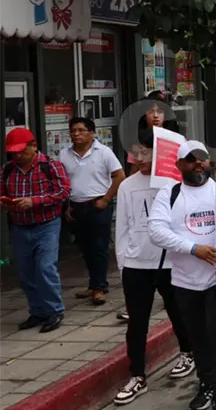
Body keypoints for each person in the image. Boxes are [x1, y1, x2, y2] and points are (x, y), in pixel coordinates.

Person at [148, 141, 216, 410]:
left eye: (203, 159)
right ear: (179, 164)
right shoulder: (169, 194)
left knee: (215, 335)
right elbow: (156, 231)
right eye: (191, 159)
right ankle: (205, 383)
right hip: (184, 281)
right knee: (197, 338)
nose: (198, 163)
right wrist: (194, 249)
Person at [113, 134, 195, 406]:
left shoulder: (173, 185)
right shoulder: (127, 186)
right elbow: (122, 227)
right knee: (137, 323)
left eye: (145, 153)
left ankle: (188, 352)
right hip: (137, 265)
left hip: (170, 263)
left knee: (178, 313)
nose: (139, 158)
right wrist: (123, 263)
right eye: (136, 153)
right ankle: (137, 375)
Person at [0, 128, 70, 333]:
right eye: (14, 152)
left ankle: (54, 310)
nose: (18, 156)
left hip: (46, 224)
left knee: (45, 267)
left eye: (21, 151)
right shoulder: (8, 169)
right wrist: (6, 202)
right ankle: (37, 311)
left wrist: (35, 201)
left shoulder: (51, 166)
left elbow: (64, 191)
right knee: (25, 272)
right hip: (20, 226)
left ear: (33, 146)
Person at [59, 116, 125, 306]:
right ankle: (93, 283)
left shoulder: (103, 152)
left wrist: (106, 199)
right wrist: (67, 204)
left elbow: (120, 176)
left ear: (92, 133)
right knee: (84, 247)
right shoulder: (64, 154)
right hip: (76, 206)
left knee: (99, 247)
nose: (76, 134)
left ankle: (99, 287)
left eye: (81, 130)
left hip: (98, 205)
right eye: (73, 131)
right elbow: (63, 181)